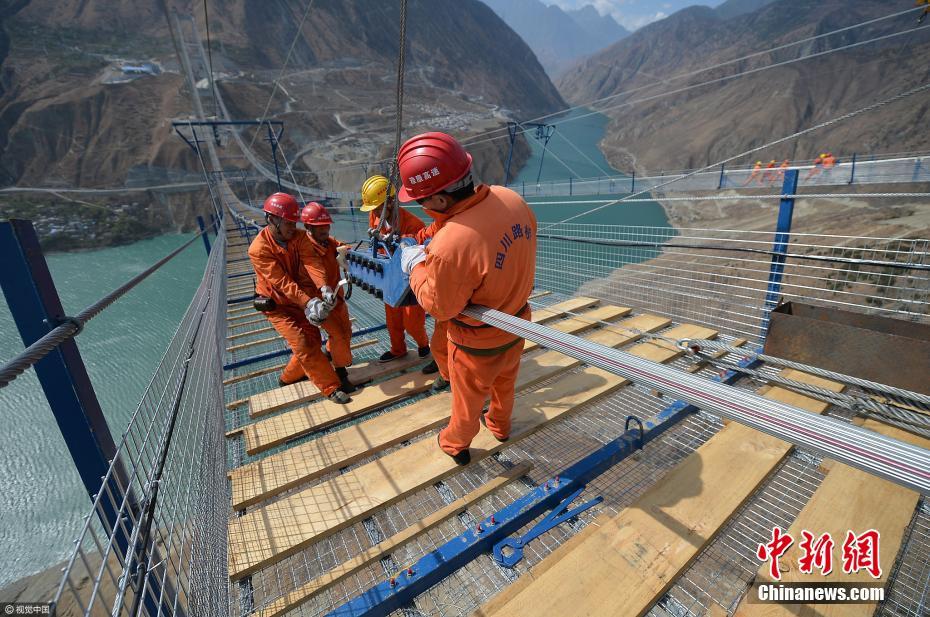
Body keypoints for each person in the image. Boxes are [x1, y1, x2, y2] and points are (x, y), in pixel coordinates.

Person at [398, 132, 537, 465]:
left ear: (441, 201)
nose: (422, 208)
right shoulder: (510, 199)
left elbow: (440, 306)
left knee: (468, 400)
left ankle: (454, 443)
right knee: (505, 384)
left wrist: (415, 266)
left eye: (422, 202)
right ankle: (500, 426)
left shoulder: (451, 246)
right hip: (517, 323)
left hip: (477, 342)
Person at [248, 192, 352, 404]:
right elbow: (281, 282)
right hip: (277, 305)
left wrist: (323, 288)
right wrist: (310, 302)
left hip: (298, 301)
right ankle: (331, 387)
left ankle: (287, 378)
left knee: (311, 341)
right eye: (287, 222)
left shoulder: (299, 237)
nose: (292, 227)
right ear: (272, 219)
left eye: (294, 222)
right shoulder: (259, 250)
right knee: (303, 344)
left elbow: (311, 263)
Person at [359, 175, 432, 364]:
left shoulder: (414, 225)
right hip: (389, 275)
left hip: (409, 279)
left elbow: (419, 255)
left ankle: (423, 345)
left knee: (412, 321)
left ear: (389, 203)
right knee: (393, 318)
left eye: (376, 208)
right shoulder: (376, 218)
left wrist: (398, 241)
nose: (373, 213)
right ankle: (398, 349)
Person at [300, 201, 358, 396]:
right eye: (319, 227)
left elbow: (340, 246)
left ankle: (328, 355)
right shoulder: (306, 248)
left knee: (346, 331)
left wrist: (349, 251)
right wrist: (323, 292)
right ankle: (341, 374)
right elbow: (315, 271)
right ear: (308, 227)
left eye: (326, 225)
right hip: (320, 302)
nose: (325, 229)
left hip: (337, 297)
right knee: (338, 336)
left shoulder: (329, 242)